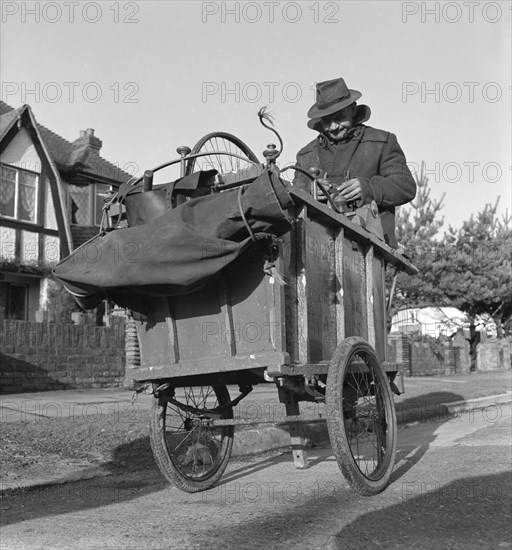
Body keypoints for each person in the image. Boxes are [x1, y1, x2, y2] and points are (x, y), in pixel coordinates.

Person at [292, 77, 416, 248]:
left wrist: (368, 188)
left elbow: (405, 186)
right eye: (327, 120)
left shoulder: (382, 142)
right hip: (315, 247)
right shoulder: (306, 154)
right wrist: (309, 190)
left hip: (374, 249)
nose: (333, 127)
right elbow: (292, 195)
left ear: (352, 109)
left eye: (339, 117)